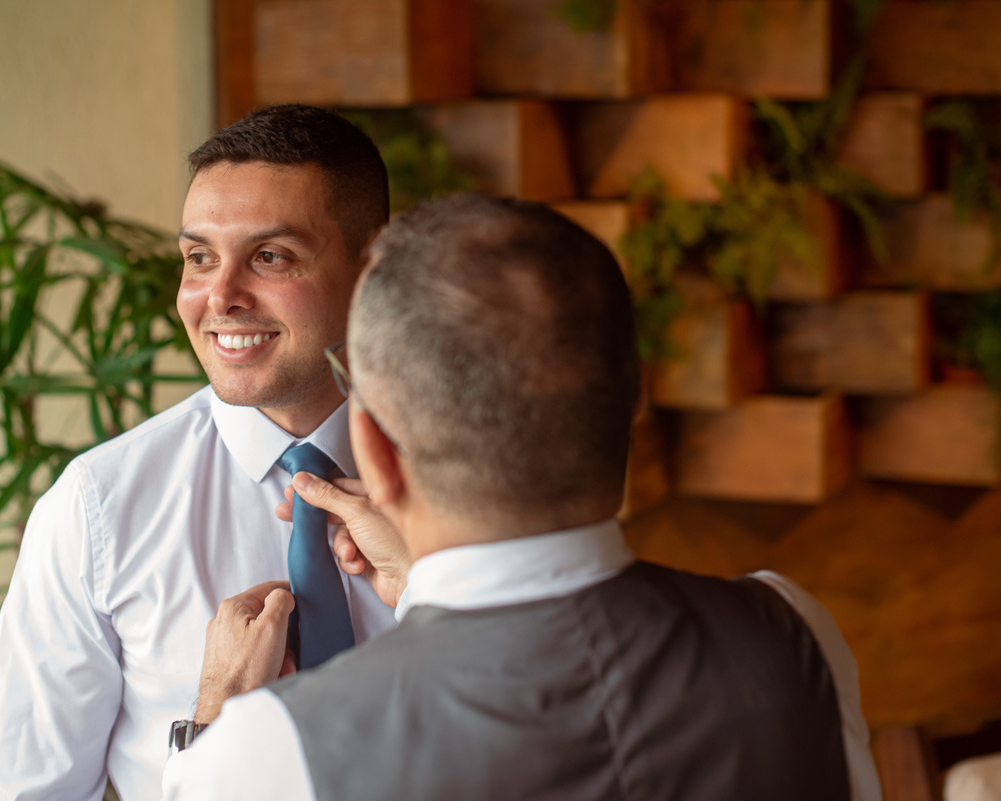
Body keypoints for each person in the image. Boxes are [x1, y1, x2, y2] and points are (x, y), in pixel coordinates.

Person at [160, 194, 883, 801]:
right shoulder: (795, 633)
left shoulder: (268, 749)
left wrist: (210, 724)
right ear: (633, 402)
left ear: (372, 447)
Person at [0, 105, 397, 801]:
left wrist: (443, 601)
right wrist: (213, 726)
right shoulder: (95, 511)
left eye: (270, 256)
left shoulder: (469, 485)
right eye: (199, 257)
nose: (220, 297)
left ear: (373, 268)